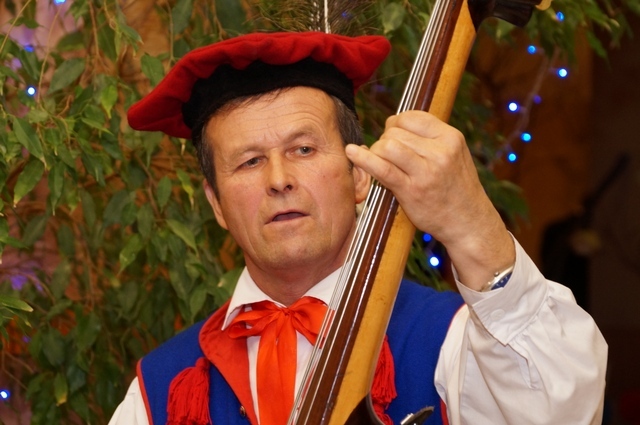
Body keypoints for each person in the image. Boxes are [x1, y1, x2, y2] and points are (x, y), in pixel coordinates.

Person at [109, 31, 607, 425]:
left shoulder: (456, 338)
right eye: (250, 161)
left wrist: (473, 223)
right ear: (216, 204)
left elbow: (562, 410)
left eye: (304, 149)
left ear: (360, 175)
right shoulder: (159, 388)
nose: (279, 179)